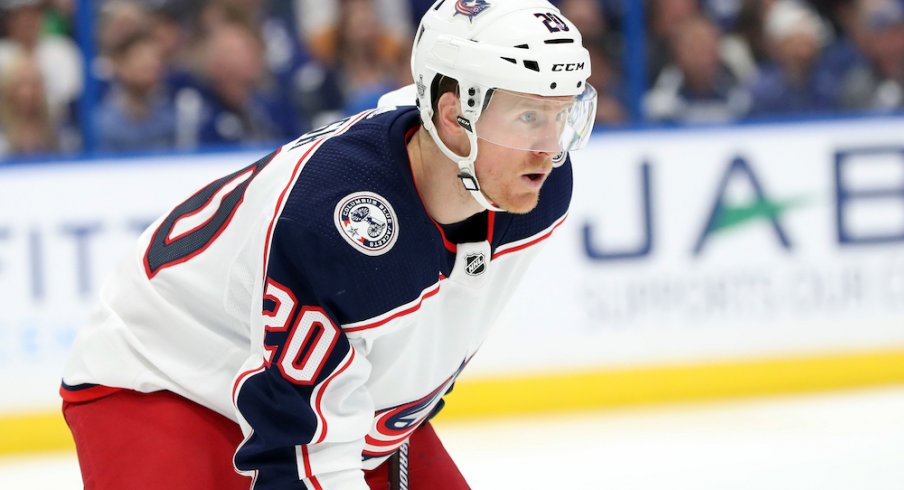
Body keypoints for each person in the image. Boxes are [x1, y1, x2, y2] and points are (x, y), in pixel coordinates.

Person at [60, 0, 597, 488]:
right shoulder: (337, 224)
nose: (550, 150)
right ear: (455, 118)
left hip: (315, 393)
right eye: (529, 116)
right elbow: (295, 456)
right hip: (165, 376)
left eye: (562, 115)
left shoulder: (535, 186)